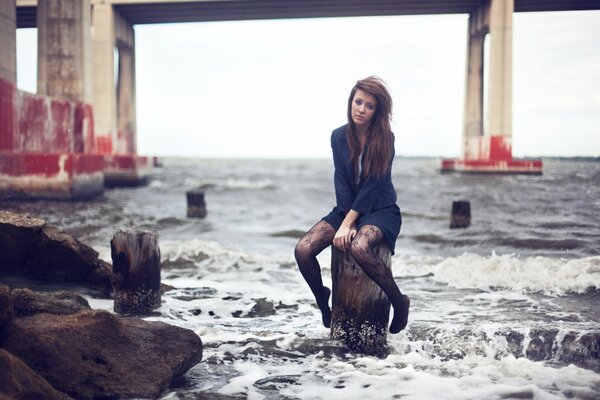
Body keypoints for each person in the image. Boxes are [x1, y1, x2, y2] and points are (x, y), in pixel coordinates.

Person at [294, 76, 409, 334]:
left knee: (359, 247)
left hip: (380, 209)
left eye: (369, 106)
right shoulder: (338, 136)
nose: (361, 109)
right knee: (302, 250)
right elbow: (341, 180)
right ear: (351, 102)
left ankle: (399, 301)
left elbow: (373, 186)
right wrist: (347, 219)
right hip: (347, 207)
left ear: (376, 111)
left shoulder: (385, 139)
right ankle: (324, 303)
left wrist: (349, 225)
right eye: (358, 102)